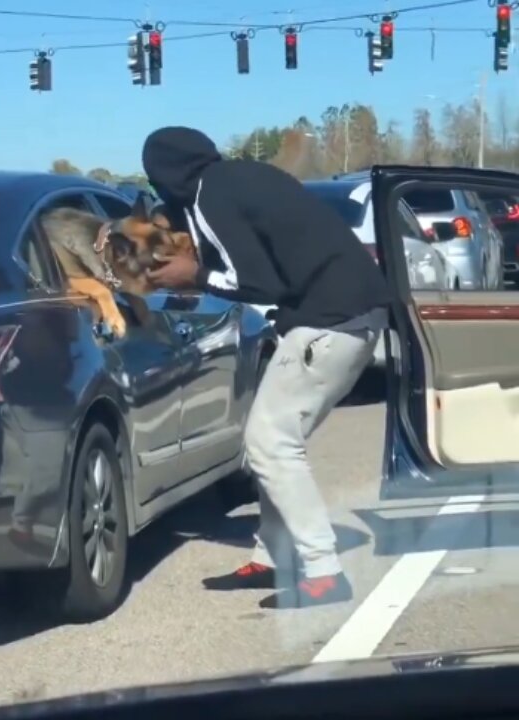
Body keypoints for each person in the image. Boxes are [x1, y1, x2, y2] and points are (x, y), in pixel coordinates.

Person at [141, 126, 390, 609]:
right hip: (352, 317)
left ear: (165, 174)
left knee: (269, 443)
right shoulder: (237, 178)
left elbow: (256, 281)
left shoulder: (210, 197)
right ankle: (273, 555)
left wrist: (192, 274)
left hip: (328, 323)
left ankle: (322, 573)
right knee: (277, 444)